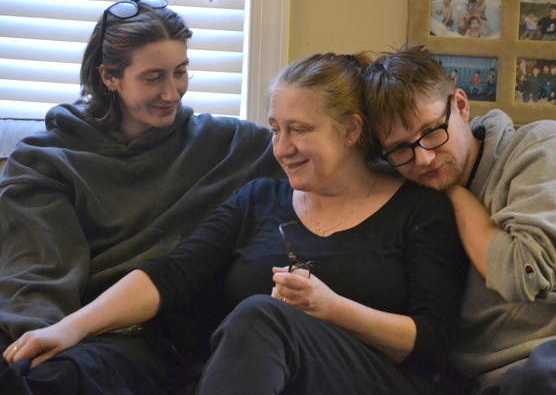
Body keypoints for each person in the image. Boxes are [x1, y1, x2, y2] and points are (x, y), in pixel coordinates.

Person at [3, 52, 469, 395]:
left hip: (379, 380)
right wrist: (69, 329)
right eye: (275, 129)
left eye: (299, 130)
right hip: (255, 379)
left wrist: (332, 308)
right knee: (56, 372)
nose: (281, 148)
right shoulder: (259, 198)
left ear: (351, 129)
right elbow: (173, 272)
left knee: (261, 314)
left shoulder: (418, 209)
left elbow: (433, 342)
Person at [0, 0, 284, 394]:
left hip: (155, 339)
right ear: (109, 77)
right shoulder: (46, 159)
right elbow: (37, 276)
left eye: (180, 72)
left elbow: (318, 159)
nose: (172, 93)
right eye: (153, 78)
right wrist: (37, 349)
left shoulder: (233, 146)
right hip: (74, 330)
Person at [364, 45, 556, 395]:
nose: (424, 159)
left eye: (432, 131)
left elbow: (525, 273)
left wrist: (454, 193)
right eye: (400, 148)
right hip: (479, 380)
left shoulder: (543, 148)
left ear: (461, 105)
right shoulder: (406, 195)